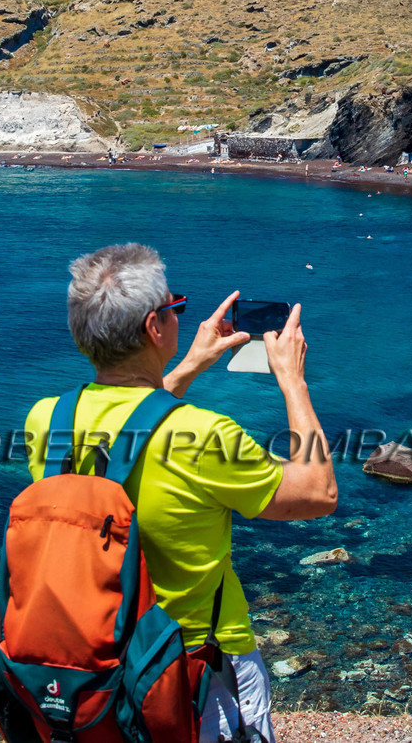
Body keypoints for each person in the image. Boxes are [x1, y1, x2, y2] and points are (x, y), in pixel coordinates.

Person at [24, 245, 337, 743]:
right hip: (194, 666)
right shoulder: (207, 434)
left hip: (97, 660)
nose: (179, 317)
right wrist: (292, 380)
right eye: (176, 308)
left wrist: (190, 364)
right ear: (154, 327)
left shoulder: (47, 420)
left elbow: (131, 436)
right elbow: (318, 492)